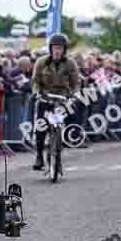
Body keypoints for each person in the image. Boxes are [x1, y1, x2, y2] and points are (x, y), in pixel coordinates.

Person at [31, 33, 81, 170]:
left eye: (60, 48)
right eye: (55, 47)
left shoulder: (70, 63)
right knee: (40, 126)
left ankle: (60, 146)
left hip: (62, 99)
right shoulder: (41, 62)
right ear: (50, 48)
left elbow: (76, 81)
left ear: (64, 49)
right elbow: (35, 81)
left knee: (64, 121)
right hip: (45, 97)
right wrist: (37, 93)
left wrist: (75, 94)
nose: (57, 50)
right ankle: (39, 156)